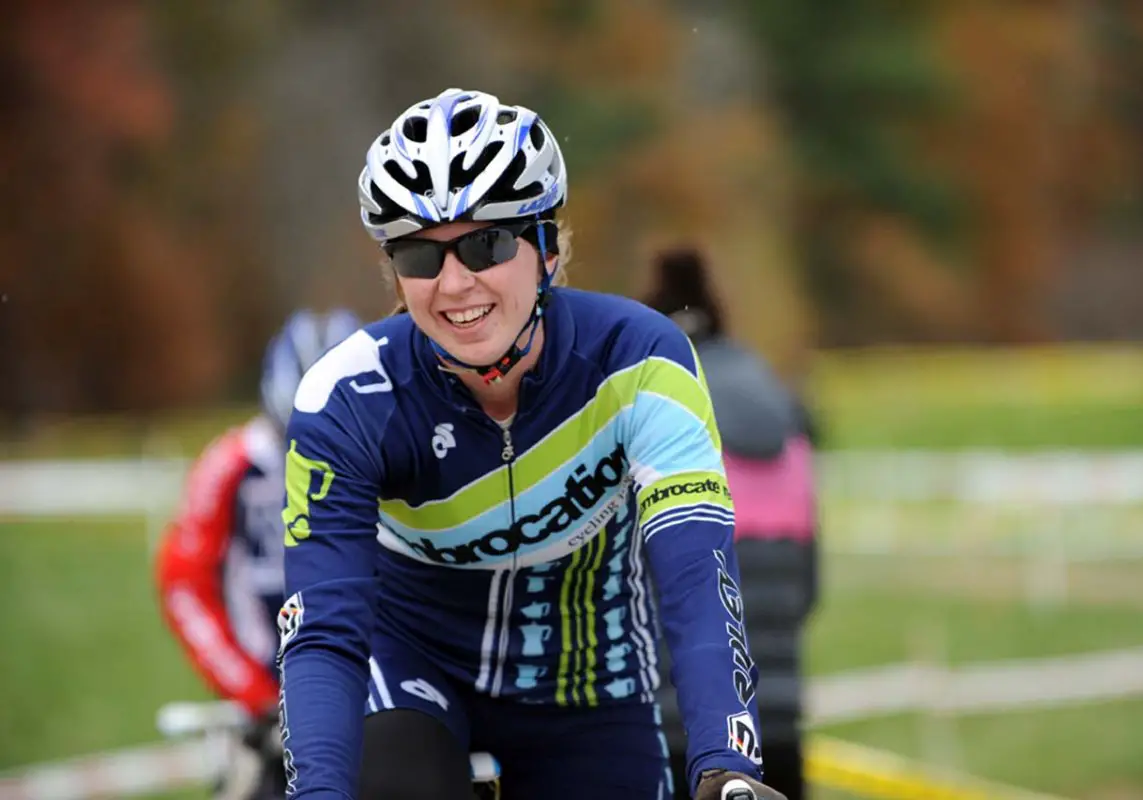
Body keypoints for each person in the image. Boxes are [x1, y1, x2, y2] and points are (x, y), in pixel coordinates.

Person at [276, 88, 790, 800]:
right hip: (408, 670)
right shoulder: (348, 396)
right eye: (420, 255)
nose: (454, 284)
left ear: (547, 249)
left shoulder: (640, 362)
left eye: (486, 243)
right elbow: (322, 631)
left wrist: (726, 762)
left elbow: (695, 575)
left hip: (586, 687)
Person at [155, 308, 362, 800]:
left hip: (372, 693)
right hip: (264, 702)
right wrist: (250, 689)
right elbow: (183, 583)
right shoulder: (229, 468)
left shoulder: (397, 454)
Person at [644, 247, 820, 800]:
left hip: (684, 710)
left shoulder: (660, 405)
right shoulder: (780, 401)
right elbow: (812, 580)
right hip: (780, 695)